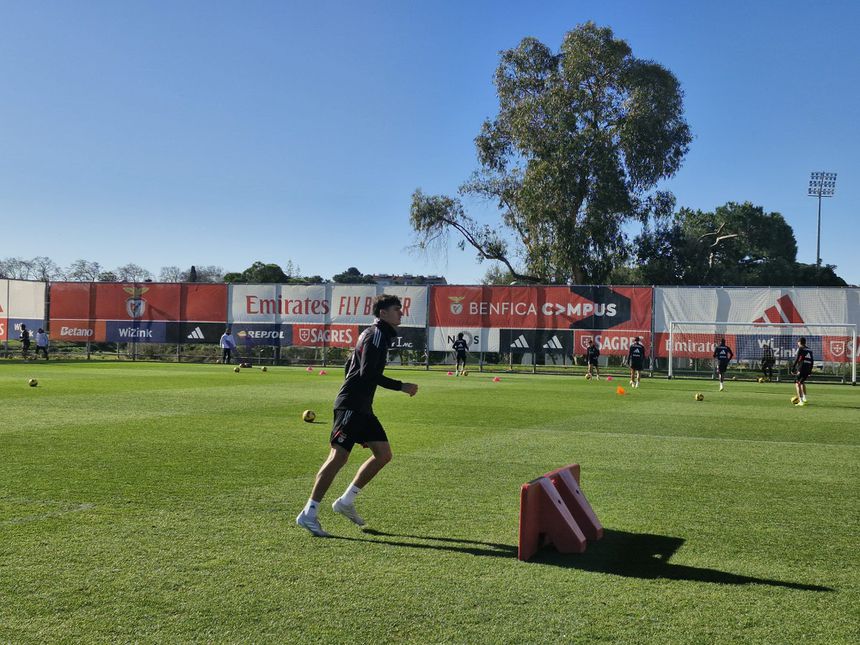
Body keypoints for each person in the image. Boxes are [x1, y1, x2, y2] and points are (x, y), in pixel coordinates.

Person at [296, 294, 419, 537]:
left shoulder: (373, 334)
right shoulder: (376, 336)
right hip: (351, 406)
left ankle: (345, 501)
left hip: (361, 406)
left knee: (383, 455)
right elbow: (366, 374)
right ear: (383, 313)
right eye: (396, 309)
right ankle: (308, 514)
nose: (401, 314)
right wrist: (401, 386)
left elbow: (350, 366)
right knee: (338, 458)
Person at [791, 337, 814, 406]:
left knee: (797, 383)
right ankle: (804, 398)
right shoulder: (809, 349)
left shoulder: (801, 348)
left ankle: (800, 401)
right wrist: (810, 370)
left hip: (802, 367)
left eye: (798, 342)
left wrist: (793, 368)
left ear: (799, 342)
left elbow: (797, 358)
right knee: (801, 382)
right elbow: (812, 361)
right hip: (808, 368)